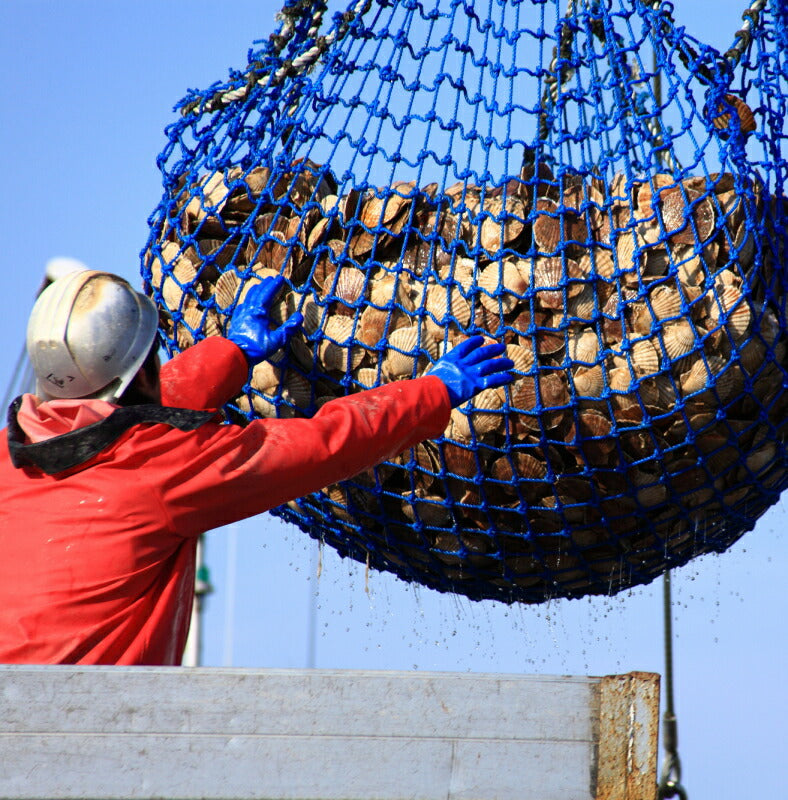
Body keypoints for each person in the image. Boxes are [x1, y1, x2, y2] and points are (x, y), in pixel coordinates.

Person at [0, 269, 513, 666]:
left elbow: (119, 424)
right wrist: (432, 391)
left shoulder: (11, 451)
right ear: (143, 365)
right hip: (73, 742)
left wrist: (233, 354)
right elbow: (323, 445)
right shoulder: (163, 474)